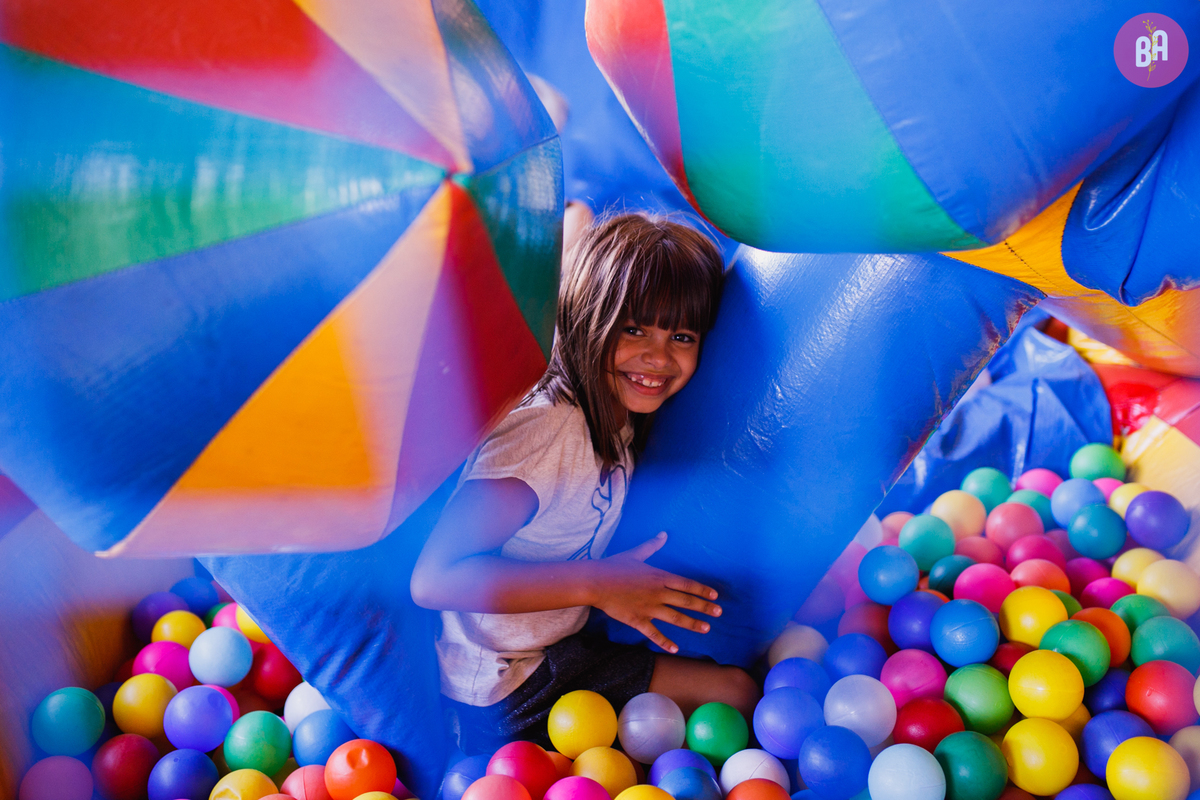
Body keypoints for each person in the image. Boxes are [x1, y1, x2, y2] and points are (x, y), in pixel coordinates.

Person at [411, 212, 758, 753]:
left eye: (681, 335)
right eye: (634, 328)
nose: (658, 356)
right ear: (588, 319)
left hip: (556, 648)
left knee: (735, 694)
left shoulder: (616, 408)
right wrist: (598, 584)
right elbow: (434, 579)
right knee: (734, 696)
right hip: (504, 688)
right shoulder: (548, 432)